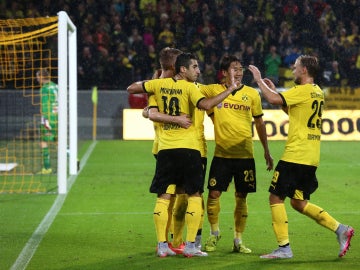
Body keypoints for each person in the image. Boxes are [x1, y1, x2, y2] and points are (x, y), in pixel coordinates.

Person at [127, 52, 239, 257]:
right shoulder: (190, 87)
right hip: (190, 149)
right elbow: (206, 105)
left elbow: (133, 89)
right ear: (182, 69)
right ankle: (190, 245)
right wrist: (231, 89)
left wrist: (153, 88)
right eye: (195, 67)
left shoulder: (156, 85)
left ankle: (163, 245)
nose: (198, 71)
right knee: (194, 195)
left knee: (164, 196)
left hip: (165, 149)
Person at [248, 55, 354, 259]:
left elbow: (272, 99)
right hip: (311, 156)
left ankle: (284, 248)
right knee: (298, 202)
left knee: (275, 197)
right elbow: (293, 111)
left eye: (295, 67)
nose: (293, 70)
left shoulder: (303, 90)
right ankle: (341, 229)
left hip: (295, 155)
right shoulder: (316, 92)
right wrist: (272, 89)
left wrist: (259, 80)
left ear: (304, 70)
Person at [201, 55, 274, 253]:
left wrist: (266, 151)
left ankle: (238, 240)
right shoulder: (213, 90)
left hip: (245, 155)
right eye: (234, 68)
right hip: (222, 155)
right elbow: (190, 88)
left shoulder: (251, 94)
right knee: (214, 193)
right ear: (224, 72)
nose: (239, 72)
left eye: (241, 68)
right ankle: (214, 233)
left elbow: (259, 123)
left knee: (242, 196)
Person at [36, 68, 58, 174]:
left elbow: (44, 106)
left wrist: (44, 118)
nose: (37, 79)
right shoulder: (56, 86)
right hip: (58, 116)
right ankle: (73, 159)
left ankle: (47, 168)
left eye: (37, 77)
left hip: (48, 117)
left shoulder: (44, 89)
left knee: (43, 141)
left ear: (41, 77)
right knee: (58, 141)